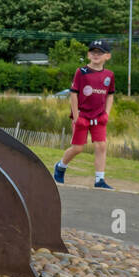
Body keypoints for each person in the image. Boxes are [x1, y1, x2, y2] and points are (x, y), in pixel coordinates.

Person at [53, 40, 116, 189]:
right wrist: (76, 117)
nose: (96, 55)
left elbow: (110, 95)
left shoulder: (109, 75)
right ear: (88, 54)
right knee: (78, 148)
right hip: (82, 116)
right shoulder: (81, 72)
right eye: (93, 52)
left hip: (99, 117)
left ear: (107, 56)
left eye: (100, 52)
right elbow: (73, 94)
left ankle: (99, 179)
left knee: (101, 146)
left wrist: (106, 114)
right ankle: (61, 166)